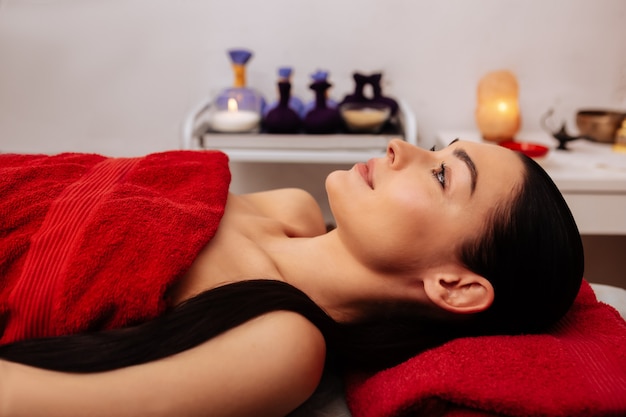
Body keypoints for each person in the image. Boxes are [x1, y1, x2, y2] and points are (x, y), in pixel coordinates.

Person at [0, 138, 584, 417]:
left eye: (440, 176)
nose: (399, 146)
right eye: (436, 148)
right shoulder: (290, 209)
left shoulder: (282, 347)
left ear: (455, 286)